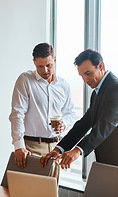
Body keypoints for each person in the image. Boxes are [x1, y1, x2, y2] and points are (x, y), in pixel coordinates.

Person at [41, 49, 118, 171]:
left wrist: (77, 150)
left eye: (88, 73)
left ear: (100, 66)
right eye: (82, 75)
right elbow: (84, 124)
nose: (85, 80)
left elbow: (105, 125)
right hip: (108, 162)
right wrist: (59, 149)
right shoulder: (97, 92)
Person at [9, 43, 75, 179]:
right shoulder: (25, 80)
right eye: (40, 66)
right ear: (34, 62)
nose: (45, 70)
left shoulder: (63, 85)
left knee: (51, 195)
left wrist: (64, 123)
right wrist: (18, 146)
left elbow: (70, 113)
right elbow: (17, 114)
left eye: (48, 65)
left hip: (57, 147)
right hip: (31, 147)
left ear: (54, 60)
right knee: (30, 195)